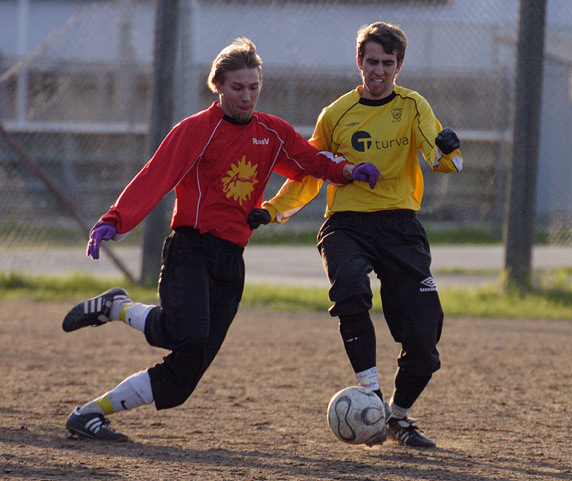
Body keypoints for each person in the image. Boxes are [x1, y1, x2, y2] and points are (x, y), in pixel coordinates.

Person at [61, 37, 380, 442]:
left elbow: (310, 161)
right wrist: (115, 220)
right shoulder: (196, 130)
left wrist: (350, 171)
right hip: (190, 249)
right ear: (218, 86)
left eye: (253, 87)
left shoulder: (272, 132)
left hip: (231, 260)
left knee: (181, 379)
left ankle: (88, 414)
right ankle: (117, 307)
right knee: (184, 331)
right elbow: (156, 176)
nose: (246, 97)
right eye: (236, 87)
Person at [261, 22, 463, 448]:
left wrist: (448, 150)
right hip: (347, 224)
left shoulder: (412, 105)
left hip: (400, 226)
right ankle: (369, 391)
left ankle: (398, 418)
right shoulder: (335, 114)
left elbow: (439, 157)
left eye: (388, 63)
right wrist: (273, 210)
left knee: (425, 343)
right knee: (350, 286)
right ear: (359, 61)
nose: (379, 71)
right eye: (371, 62)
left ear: (399, 65)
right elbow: (313, 172)